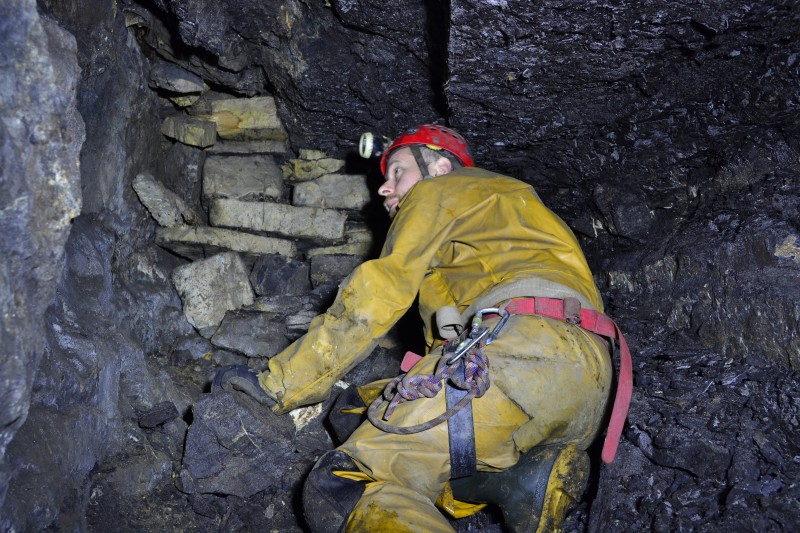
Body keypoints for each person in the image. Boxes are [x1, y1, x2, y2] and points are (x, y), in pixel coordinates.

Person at [213, 125, 632, 532]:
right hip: (587, 390)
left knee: (346, 486)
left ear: (439, 167)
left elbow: (379, 292)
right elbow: (446, 347)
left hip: (521, 356)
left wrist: (282, 385)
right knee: (355, 409)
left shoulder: (439, 191)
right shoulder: (506, 217)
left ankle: (468, 480)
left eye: (398, 171)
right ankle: (520, 479)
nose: (385, 187)